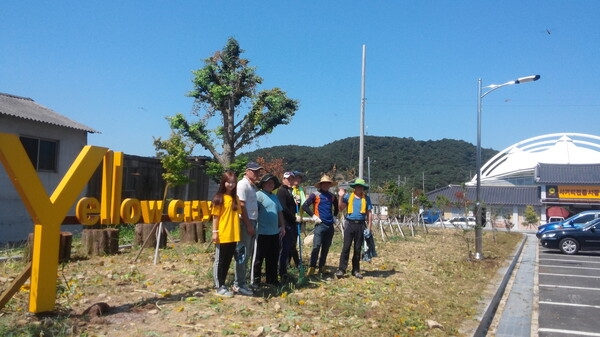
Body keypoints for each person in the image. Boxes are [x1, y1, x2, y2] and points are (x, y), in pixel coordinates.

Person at [211, 171, 242, 297]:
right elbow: (215, 217)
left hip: (233, 235)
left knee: (228, 260)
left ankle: (223, 283)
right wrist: (215, 232)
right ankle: (218, 286)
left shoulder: (236, 198)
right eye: (228, 182)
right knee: (220, 261)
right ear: (223, 182)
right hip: (222, 234)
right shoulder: (219, 197)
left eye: (233, 182)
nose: (231, 184)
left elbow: (238, 215)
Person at [234, 161, 263, 296]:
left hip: (252, 221)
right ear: (247, 171)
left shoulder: (252, 186)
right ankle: (238, 284)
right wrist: (248, 224)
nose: (257, 173)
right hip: (245, 222)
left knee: (248, 254)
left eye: (258, 171)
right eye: (254, 171)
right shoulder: (242, 184)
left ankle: (242, 282)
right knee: (243, 253)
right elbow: (241, 207)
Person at [252, 174, 286, 286]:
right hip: (261, 232)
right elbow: (254, 212)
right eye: (268, 182)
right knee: (258, 258)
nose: (270, 184)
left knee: (273, 257)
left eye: (272, 183)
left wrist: (283, 226)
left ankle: (272, 280)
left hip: (274, 232)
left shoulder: (275, 197)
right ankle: (255, 281)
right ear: (263, 184)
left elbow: (280, 212)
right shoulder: (258, 195)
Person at [336, 178, 373, 279]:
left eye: (361, 186)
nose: (359, 188)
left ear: (363, 188)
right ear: (354, 187)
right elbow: (340, 208)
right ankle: (341, 269)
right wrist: (340, 197)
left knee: (357, 249)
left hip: (361, 225)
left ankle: (356, 270)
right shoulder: (348, 196)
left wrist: (369, 227)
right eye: (357, 186)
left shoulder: (366, 198)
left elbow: (369, 213)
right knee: (346, 247)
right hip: (350, 224)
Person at [302, 175, 339, 275]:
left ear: (330, 185)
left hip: (329, 225)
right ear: (321, 185)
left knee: (326, 247)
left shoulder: (332, 196)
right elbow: (305, 206)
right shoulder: (315, 195)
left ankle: (322, 267)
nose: (326, 185)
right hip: (320, 224)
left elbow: (336, 207)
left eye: (328, 184)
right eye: (324, 183)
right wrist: (313, 216)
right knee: (316, 246)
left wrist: (335, 217)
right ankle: (312, 267)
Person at [276, 171, 298, 281]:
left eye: (291, 179)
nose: (290, 181)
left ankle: (283, 271)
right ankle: (281, 273)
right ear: (283, 179)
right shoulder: (281, 192)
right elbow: (283, 208)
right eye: (288, 179)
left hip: (290, 224)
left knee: (287, 249)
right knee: (283, 250)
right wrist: (294, 218)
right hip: (284, 225)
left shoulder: (289, 191)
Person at [289, 170, 306, 268]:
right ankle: (293, 263)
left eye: (300, 178)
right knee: (289, 243)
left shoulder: (300, 190)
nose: (298, 180)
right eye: (296, 178)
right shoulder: (289, 189)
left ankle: (296, 263)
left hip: (298, 219)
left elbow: (304, 204)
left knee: (293, 242)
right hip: (290, 219)